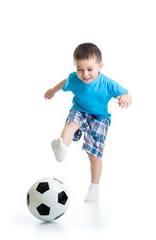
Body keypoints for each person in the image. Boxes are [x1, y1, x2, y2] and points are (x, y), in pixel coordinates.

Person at [44, 43, 132, 202]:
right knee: (71, 124)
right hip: (79, 110)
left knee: (93, 154)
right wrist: (52, 91)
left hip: (99, 118)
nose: (85, 74)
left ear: (100, 66)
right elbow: (64, 82)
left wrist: (126, 98)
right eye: (80, 69)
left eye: (90, 69)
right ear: (75, 67)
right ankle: (62, 148)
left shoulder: (107, 84)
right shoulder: (73, 79)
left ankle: (94, 188)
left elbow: (125, 94)